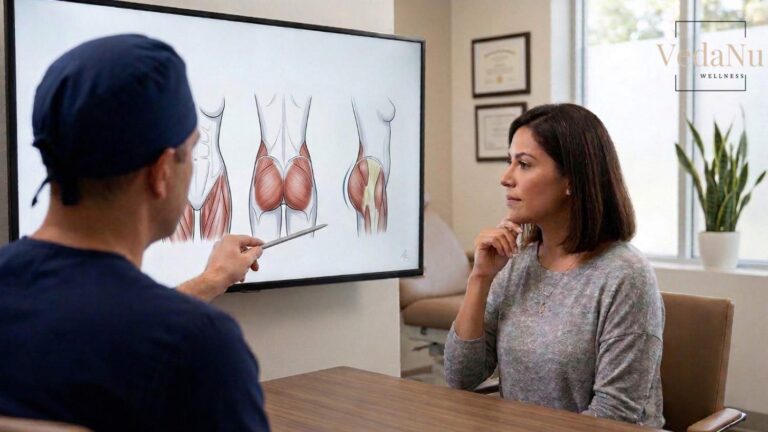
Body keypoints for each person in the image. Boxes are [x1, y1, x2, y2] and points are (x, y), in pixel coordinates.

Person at [0, 35, 269, 431]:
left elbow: (92, 327)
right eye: (191, 151)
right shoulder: (200, 351)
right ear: (161, 172)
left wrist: (211, 280)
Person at [444, 103, 665, 428]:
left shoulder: (626, 275)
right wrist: (480, 279)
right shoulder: (516, 266)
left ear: (572, 180)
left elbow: (613, 415)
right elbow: (461, 377)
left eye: (524, 164)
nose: (505, 178)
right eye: (509, 162)